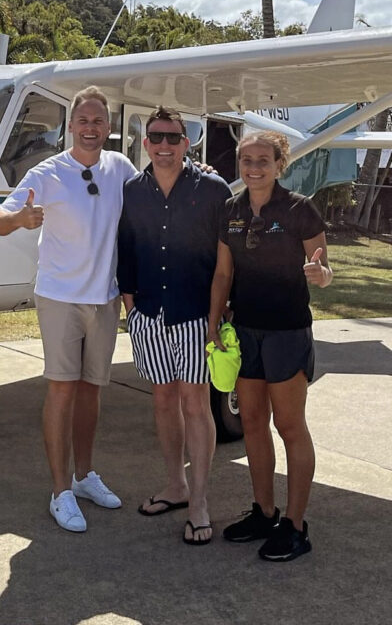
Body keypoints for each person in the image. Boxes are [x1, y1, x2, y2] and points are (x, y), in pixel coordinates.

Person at [0, 86, 137, 532]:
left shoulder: (122, 169)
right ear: (70, 126)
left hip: (105, 298)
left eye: (98, 121)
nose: (90, 128)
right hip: (60, 297)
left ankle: (85, 474)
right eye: (83, 121)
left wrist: (198, 169)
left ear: (109, 128)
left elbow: (157, 195)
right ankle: (60, 491)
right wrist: (21, 219)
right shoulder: (47, 173)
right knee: (62, 389)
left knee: (92, 390)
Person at [207, 130, 332, 563]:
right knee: (254, 423)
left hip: (287, 333)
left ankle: (296, 526)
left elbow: (323, 266)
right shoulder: (230, 210)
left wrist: (321, 275)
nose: (254, 168)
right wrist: (213, 321)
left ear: (281, 164)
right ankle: (264, 512)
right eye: (247, 160)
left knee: (290, 426)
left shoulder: (300, 210)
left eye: (264, 160)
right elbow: (223, 274)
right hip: (245, 333)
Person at [117, 107, 231, 546]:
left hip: (196, 315)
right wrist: (130, 300)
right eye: (156, 137)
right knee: (163, 401)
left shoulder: (213, 189)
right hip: (148, 313)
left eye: (172, 137)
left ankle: (200, 502)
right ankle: (175, 486)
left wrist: (220, 312)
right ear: (145, 143)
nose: (164, 145)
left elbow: (227, 255)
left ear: (187, 143)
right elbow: (126, 247)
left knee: (195, 405)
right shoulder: (132, 190)